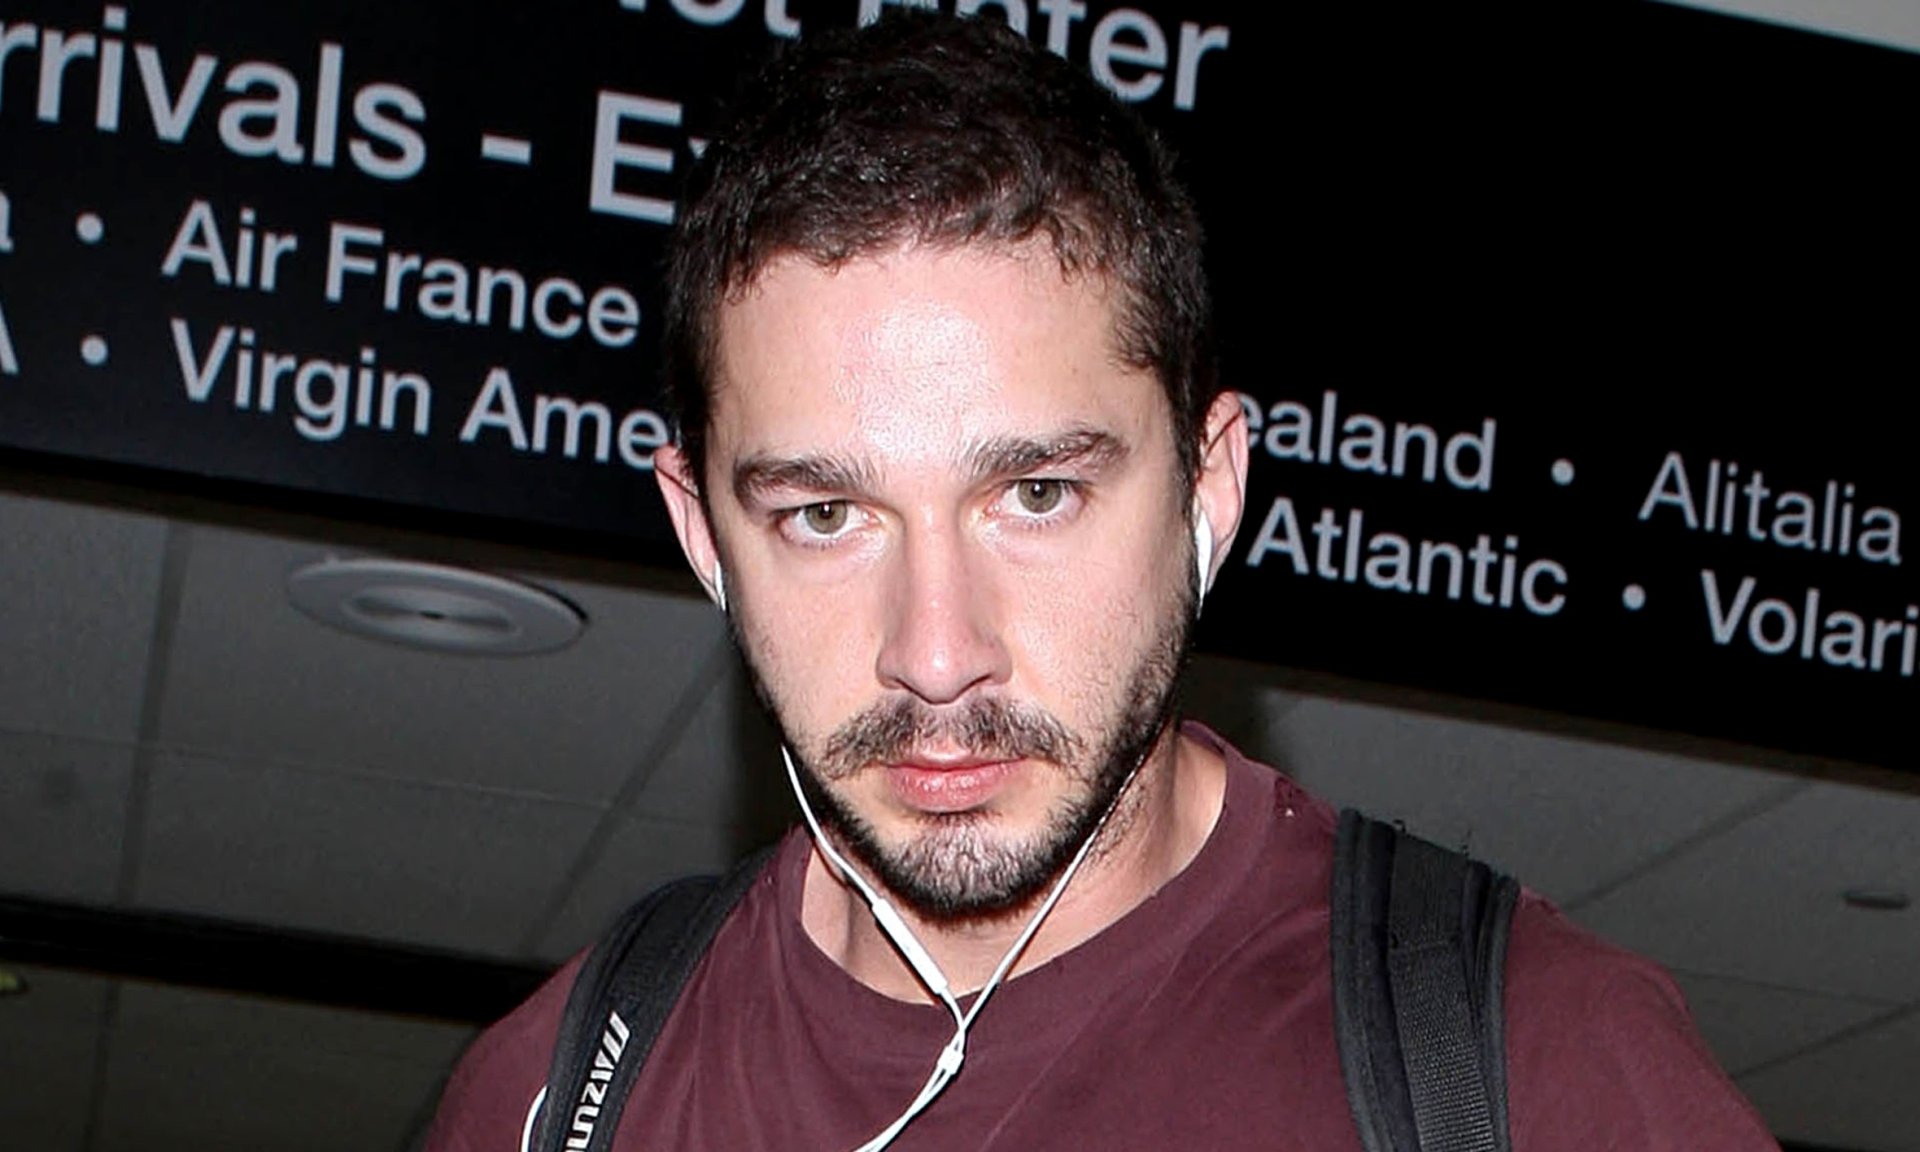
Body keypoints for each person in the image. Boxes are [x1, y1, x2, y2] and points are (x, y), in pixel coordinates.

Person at [426, 13, 1777, 1151]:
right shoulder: (550, 1097)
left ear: (1208, 490)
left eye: (1037, 495)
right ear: (703, 534)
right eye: (827, 515)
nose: (937, 653)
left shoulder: (1542, 1071)